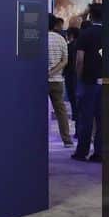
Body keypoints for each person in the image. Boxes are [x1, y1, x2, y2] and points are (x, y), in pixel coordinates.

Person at [72, 3, 104, 162]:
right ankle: (99, 153)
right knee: (102, 120)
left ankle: (82, 152)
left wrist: (79, 78)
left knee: (86, 118)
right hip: (106, 82)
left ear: (91, 16)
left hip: (89, 81)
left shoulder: (85, 34)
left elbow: (79, 60)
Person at [47, 15, 73, 148]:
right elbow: (65, 61)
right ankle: (67, 140)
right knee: (61, 112)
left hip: (41, 81)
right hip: (57, 80)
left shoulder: (40, 39)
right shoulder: (61, 39)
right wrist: (53, 72)